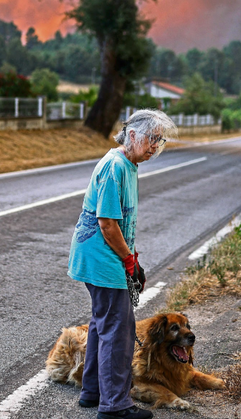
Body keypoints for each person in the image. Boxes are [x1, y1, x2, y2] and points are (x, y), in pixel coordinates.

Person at [67, 109, 177, 419]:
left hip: (104, 256)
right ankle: (114, 407)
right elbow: (107, 224)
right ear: (131, 135)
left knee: (104, 323)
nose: (155, 146)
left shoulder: (129, 165)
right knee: (119, 329)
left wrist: (134, 261)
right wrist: (128, 261)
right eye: (151, 139)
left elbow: (123, 224)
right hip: (100, 257)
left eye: (159, 141)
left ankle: (93, 392)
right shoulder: (115, 167)